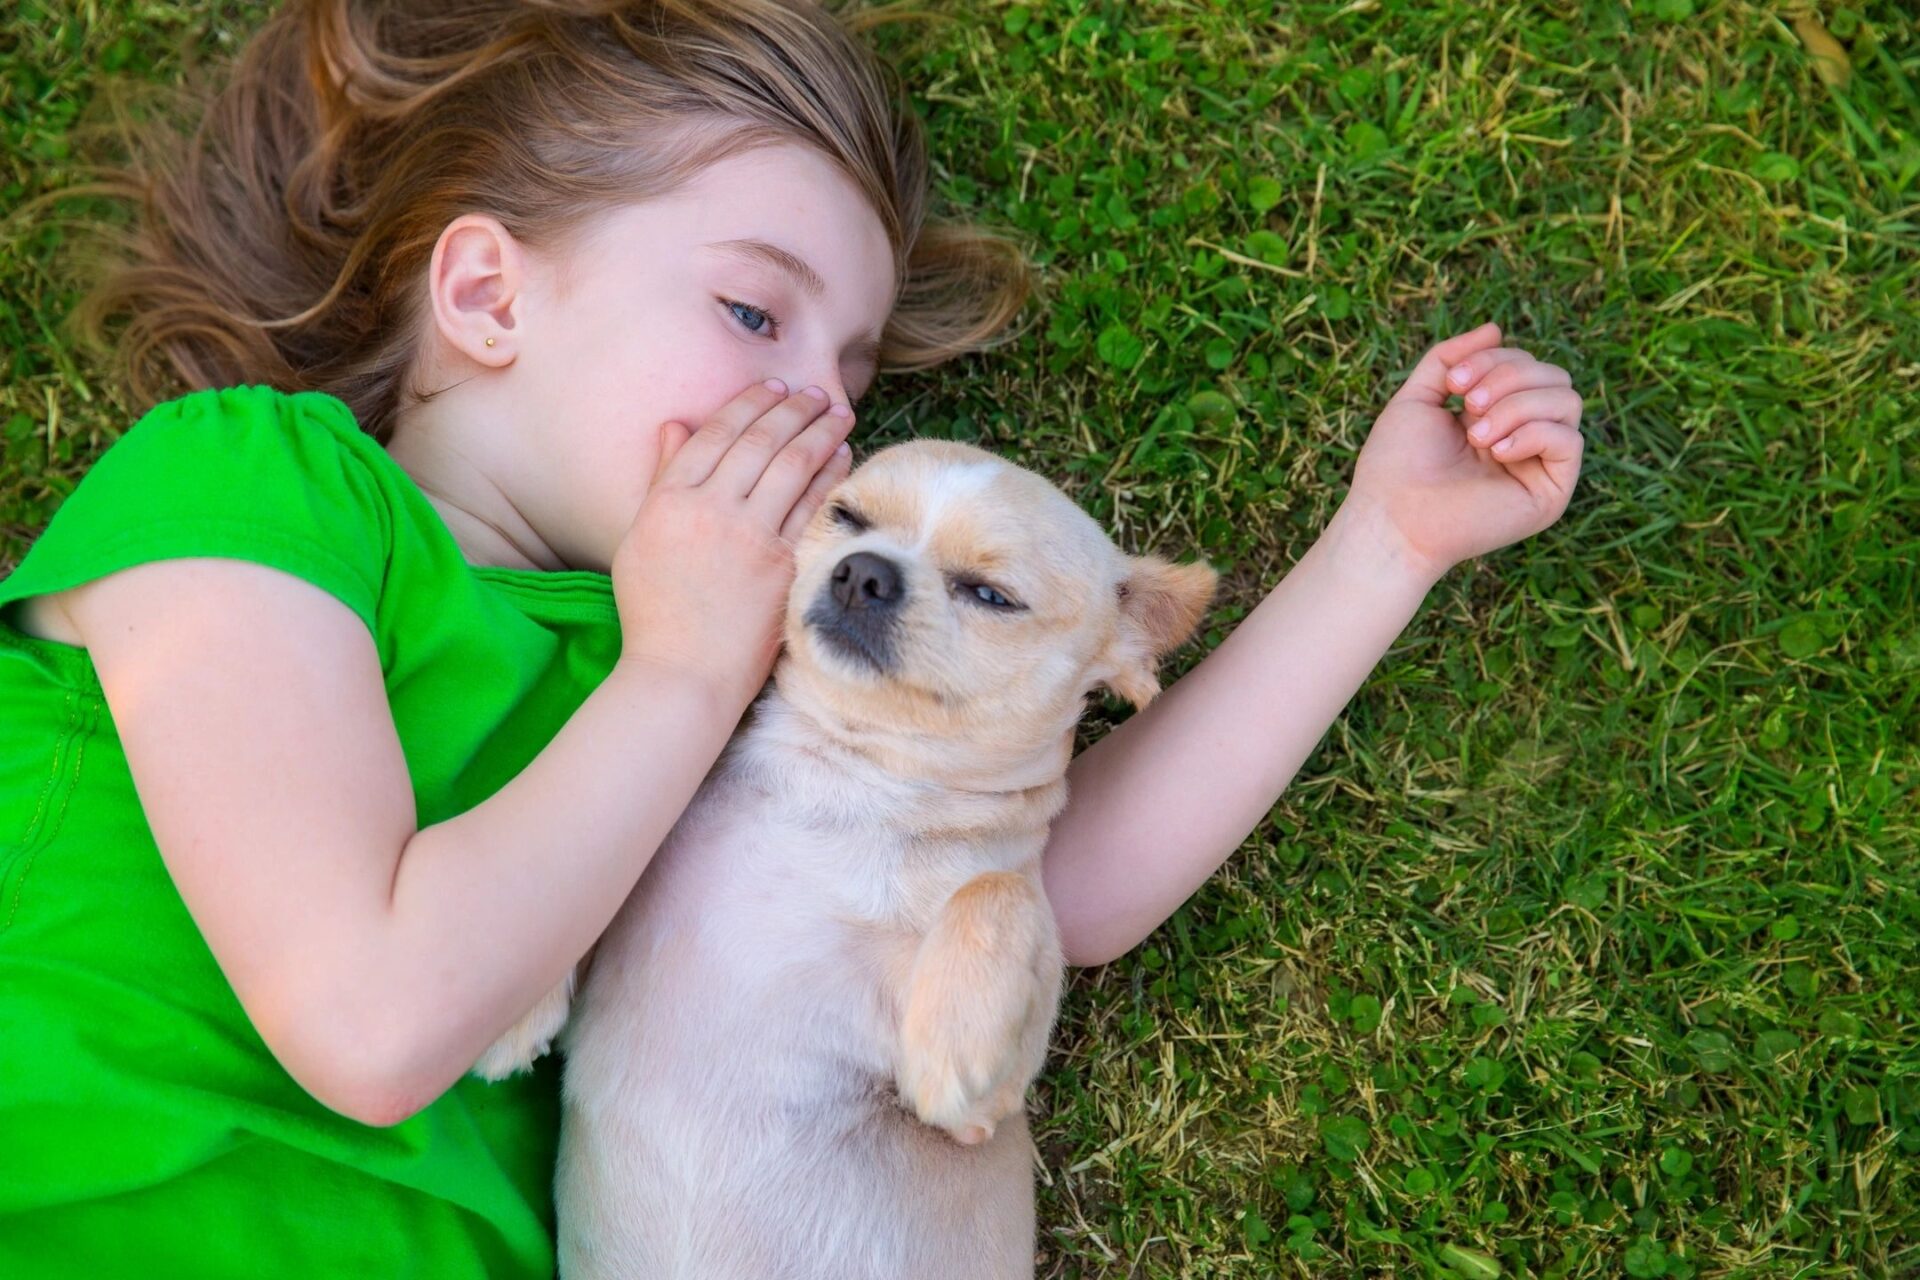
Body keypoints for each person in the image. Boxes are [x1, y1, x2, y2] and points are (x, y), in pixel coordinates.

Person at [0, 0, 1585, 1275]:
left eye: (852, 374)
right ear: (487, 294)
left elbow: (1054, 876)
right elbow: (372, 1018)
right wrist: (678, 670)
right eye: (756, 314)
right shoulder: (253, 488)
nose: (821, 410)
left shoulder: (731, 648)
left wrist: (1385, 547)